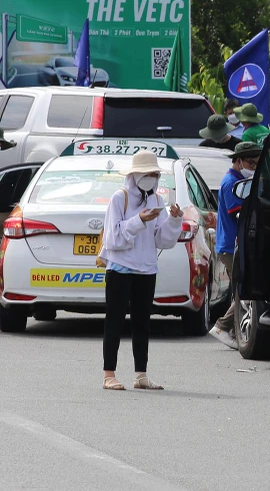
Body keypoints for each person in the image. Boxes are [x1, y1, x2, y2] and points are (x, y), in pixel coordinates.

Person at [99, 151, 183, 390]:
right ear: (135, 175)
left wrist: (174, 220)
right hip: (120, 268)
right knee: (114, 320)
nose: (152, 178)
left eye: (155, 174)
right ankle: (109, 374)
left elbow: (162, 240)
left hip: (146, 269)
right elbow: (113, 239)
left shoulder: (156, 200)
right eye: (147, 174)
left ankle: (141, 374)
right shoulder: (119, 198)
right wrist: (139, 220)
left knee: (142, 322)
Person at [208, 142, 261, 349]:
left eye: (257, 163)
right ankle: (222, 326)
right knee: (243, 289)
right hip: (231, 247)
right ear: (238, 161)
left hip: (231, 246)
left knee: (240, 288)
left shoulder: (240, 180)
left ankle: (229, 329)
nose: (254, 167)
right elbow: (238, 213)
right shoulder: (232, 183)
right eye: (250, 162)